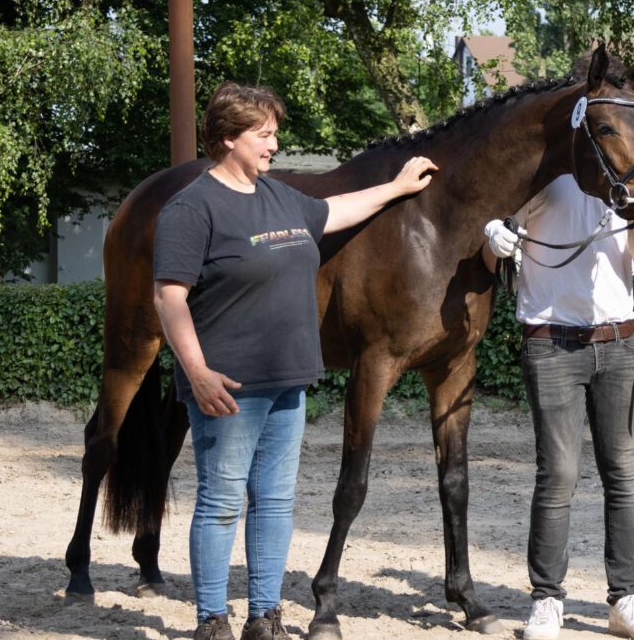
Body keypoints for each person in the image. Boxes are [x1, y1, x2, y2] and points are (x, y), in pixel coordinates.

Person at [153, 82, 437, 640]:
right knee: (220, 503)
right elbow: (170, 298)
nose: (274, 145)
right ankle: (212, 620)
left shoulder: (280, 197)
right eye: (264, 134)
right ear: (229, 137)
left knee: (276, 503)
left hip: (288, 381)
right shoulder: (192, 207)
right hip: (229, 384)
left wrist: (397, 187)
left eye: (274, 134)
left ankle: (265, 616)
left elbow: (334, 211)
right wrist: (197, 371)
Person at [483, 173, 634, 640]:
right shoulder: (547, 179)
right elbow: (493, 253)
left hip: (618, 341)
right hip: (551, 343)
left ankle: (626, 599)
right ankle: (547, 600)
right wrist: (495, 240)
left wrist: (632, 208)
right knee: (559, 474)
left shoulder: (626, 185)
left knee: (623, 473)